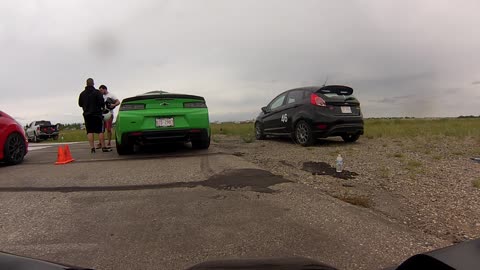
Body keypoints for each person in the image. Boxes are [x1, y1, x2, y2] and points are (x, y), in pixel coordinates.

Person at [78, 78, 112, 153]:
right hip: (97, 114)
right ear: (93, 83)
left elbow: (80, 104)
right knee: (100, 131)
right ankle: (103, 147)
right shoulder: (97, 92)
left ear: (86, 84)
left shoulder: (82, 94)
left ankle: (92, 148)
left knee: (89, 131)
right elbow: (102, 102)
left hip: (87, 114)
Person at [97, 84, 120, 148]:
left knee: (108, 129)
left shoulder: (111, 95)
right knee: (101, 129)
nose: (100, 92)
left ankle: (109, 142)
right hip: (102, 113)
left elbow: (118, 102)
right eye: (100, 90)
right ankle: (100, 143)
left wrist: (113, 104)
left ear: (105, 89)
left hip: (109, 114)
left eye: (101, 90)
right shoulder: (100, 96)